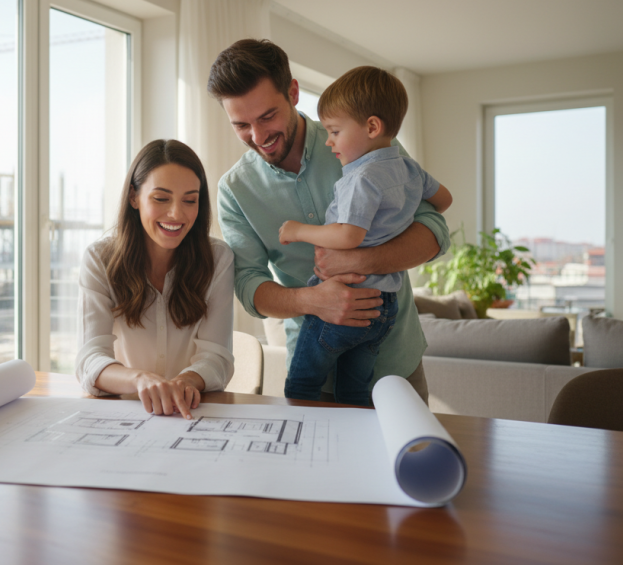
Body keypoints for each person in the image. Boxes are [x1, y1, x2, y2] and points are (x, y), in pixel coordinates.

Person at [209, 39, 450, 404]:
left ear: (293, 92)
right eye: (241, 125)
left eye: (267, 116)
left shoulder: (363, 138)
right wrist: (313, 300)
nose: (258, 137)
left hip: (394, 368)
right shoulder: (235, 189)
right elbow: (247, 285)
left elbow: (434, 230)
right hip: (314, 375)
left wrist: (359, 260)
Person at [277, 66, 453, 405]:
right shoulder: (408, 167)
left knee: (301, 386)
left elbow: (348, 237)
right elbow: (443, 200)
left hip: (347, 298)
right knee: (357, 391)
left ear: (372, 127)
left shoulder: (362, 177)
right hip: (383, 307)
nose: (328, 141)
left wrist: (297, 230)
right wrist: (396, 223)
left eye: (334, 131)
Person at [75, 139, 235, 419]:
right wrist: (140, 380)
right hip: (127, 413)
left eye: (190, 200)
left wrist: (185, 382)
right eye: (161, 198)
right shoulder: (100, 259)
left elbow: (217, 357)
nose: (176, 214)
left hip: (191, 413)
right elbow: (90, 360)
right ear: (134, 197)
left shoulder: (218, 259)